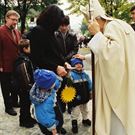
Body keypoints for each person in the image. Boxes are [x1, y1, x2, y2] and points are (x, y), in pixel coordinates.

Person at [74, 0, 135, 134]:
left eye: (90, 24)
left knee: (116, 127)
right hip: (125, 84)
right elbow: (108, 55)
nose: (89, 28)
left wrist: (96, 34)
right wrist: (85, 57)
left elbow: (113, 56)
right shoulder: (121, 25)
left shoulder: (112, 27)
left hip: (115, 92)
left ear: (96, 19)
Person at [27, 5, 68, 134]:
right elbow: (37, 58)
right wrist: (56, 67)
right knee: (47, 110)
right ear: (53, 19)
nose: (60, 25)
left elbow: (54, 53)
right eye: (59, 21)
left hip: (55, 79)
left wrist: (64, 62)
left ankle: (57, 126)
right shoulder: (38, 31)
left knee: (56, 109)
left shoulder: (51, 32)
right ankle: (52, 129)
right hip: (46, 81)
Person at [55, 15, 79, 113]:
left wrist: (66, 58)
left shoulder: (72, 35)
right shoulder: (55, 35)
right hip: (59, 65)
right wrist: (61, 60)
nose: (64, 27)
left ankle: (71, 106)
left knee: (71, 86)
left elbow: (75, 49)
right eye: (62, 25)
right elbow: (54, 50)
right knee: (60, 86)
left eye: (66, 25)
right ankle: (61, 106)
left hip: (70, 64)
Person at [30, 69, 64, 135]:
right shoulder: (44, 102)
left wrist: (59, 77)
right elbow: (43, 116)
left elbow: (54, 84)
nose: (55, 82)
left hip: (54, 118)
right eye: (53, 81)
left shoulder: (44, 87)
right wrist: (52, 128)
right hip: (49, 127)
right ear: (48, 86)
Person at [0, 10, 21, 116]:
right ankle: (8, 107)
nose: (15, 22)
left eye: (16, 20)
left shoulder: (17, 31)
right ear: (6, 19)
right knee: (6, 87)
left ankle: (14, 102)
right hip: (4, 66)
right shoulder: (0, 31)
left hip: (16, 65)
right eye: (13, 20)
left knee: (15, 86)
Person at [13, 39, 36, 128]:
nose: (31, 48)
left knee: (27, 104)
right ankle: (23, 121)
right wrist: (30, 87)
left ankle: (28, 117)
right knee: (24, 105)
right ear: (25, 49)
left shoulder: (25, 58)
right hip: (23, 88)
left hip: (24, 87)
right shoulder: (23, 60)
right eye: (30, 47)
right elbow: (25, 75)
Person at [67, 58, 92, 134]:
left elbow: (90, 83)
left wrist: (91, 92)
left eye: (80, 64)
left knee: (85, 110)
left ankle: (85, 119)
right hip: (76, 99)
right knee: (75, 112)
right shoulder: (71, 75)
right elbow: (68, 86)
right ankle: (74, 123)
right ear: (73, 66)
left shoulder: (85, 75)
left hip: (84, 97)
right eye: (76, 64)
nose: (78, 65)